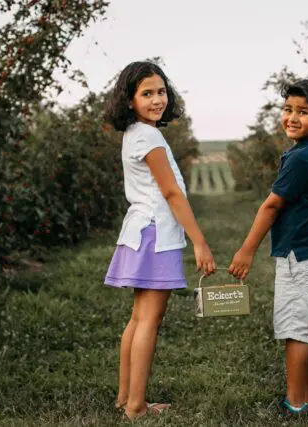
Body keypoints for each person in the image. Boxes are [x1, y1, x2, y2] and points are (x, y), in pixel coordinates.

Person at [103, 61, 216, 420]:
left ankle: (126, 398)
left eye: (161, 91)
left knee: (138, 318)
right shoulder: (148, 136)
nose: (157, 100)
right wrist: (199, 241)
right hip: (155, 234)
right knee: (149, 319)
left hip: (141, 229)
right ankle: (136, 406)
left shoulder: (137, 132)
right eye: (147, 93)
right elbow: (171, 192)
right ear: (129, 100)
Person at [228, 79, 308, 417]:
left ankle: (294, 404)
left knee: (295, 332)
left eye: (302, 112)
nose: (292, 117)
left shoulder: (300, 158)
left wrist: (246, 250)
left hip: (300, 257)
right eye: (288, 109)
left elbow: (271, 206)